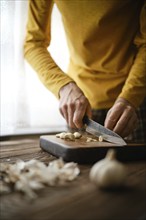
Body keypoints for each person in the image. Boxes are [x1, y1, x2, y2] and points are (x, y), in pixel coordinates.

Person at [24, 0, 146, 143]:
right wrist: (64, 86)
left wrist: (130, 98)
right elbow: (33, 44)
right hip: (79, 106)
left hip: (135, 99)